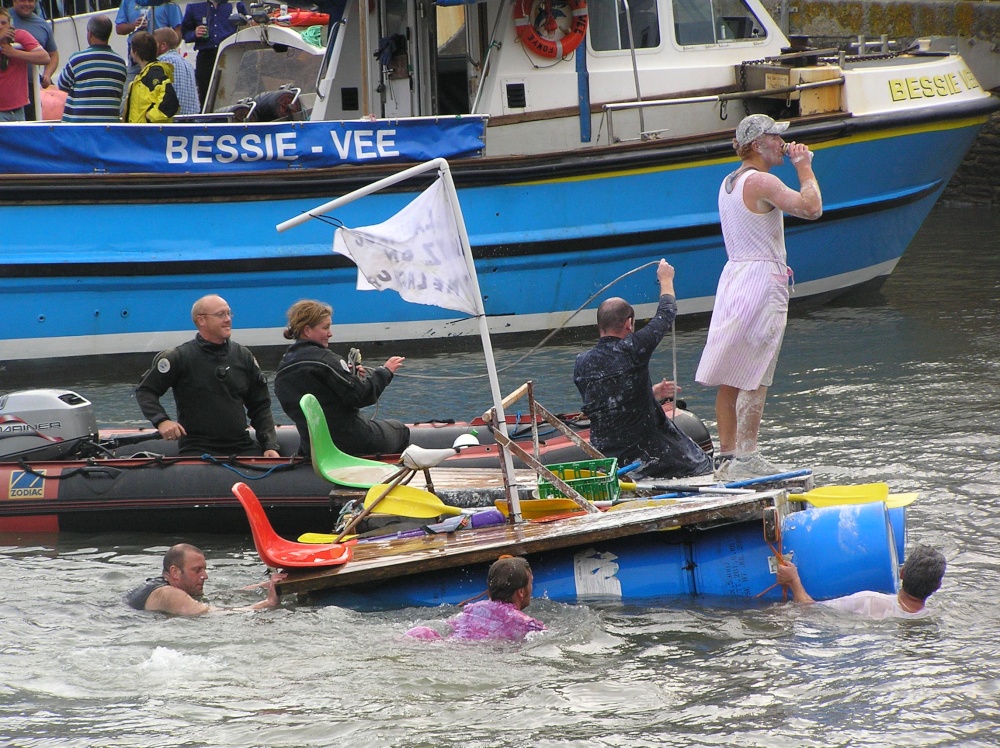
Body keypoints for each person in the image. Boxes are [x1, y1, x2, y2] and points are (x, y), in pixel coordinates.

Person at [696, 114, 823, 481]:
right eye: (774, 138)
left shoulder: (728, 182)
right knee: (757, 367)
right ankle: (747, 456)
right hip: (761, 277)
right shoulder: (762, 180)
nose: (782, 143)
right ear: (755, 145)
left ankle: (727, 458)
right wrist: (803, 167)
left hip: (734, 275)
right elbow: (811, 208)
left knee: (732, 370)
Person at [573, 260, 713, 480]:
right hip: (646, 455)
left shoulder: (581, 363)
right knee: (701, 462)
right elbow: (666, 314)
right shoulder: (632, 348)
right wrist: (666, 279)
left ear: (600, 325)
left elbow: (610, 402)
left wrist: (651, 394)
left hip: (607, 455)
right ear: (629, 324)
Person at [135, 294, 281, 457]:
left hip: (240, 445)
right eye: (221, 315)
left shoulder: (243, 356)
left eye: (229, 313)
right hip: (198, 448)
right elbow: (145, 390)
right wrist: (161, 420)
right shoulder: (180, 357)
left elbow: (260, 405)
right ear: (201, 320)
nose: (228, 319)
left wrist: (270, 445)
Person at [273, 299, 409, 458]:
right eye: (325, 327)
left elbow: (323, 396)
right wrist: (384, 372)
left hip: (313, 448)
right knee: (400, 430)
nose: (330, 333)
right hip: (353, 441)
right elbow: (361, 396)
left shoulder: (283, 369)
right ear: (307, 330)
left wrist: (351, 377)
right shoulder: (326, 361)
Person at [776, 545, 946, 619]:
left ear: (901, 573)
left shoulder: (868, 601)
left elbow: (809, 610)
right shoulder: (933, 616)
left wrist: (794, 580)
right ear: (937, 587)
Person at [406, 556, 546, 642]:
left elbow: (449, 626)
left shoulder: (472, 609)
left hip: (450, 645)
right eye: (531, 583)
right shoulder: (526, 624)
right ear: (521, 591)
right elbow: (549, 636)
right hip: (475, 652)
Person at [125, 543, 282, 615]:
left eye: (204, 569)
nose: (205, 576)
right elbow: (215, 614)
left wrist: (266, 584)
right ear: (175, 572)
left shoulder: (171, 587)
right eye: (197, 570)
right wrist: (267, 603)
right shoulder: (168, 594)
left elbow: (225, 595)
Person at [57, 15, 127, 122]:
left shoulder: (77, 59)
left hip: (78, 129)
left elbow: (62, 85)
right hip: (108, 129)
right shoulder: (120, 63)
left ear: (89, 33)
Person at [181, 0, 247, 107]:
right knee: (205, 92)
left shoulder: (235, 3)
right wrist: (194, 33)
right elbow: (185, 33)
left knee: (232, 89)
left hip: (231, 53)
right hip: (206, 55)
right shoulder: (194, 5)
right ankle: (207, 120)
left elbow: (247, 23)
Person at [0, 6, 50, 122]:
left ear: (10, 23)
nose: (0, 27)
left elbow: (44, 57)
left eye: (3, 23)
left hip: (19, 109)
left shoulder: (20, 35)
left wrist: (14, 53)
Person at [10, 0, 58, 120]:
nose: (26, 4)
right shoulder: (4, 19)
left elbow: (53, 55)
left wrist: (47, 75)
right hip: (7, 88)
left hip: (32, 88)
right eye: (22, 0)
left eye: (30, 0)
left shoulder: (43, 25)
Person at [115, 0, 182, 85]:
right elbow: (119, 29)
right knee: (129, 93)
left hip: (161, 58)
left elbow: (178, 30)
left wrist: (170, 51)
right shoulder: (128, 1)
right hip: (136, 59)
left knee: (160, 90)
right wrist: (133, 26)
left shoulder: (168, 2)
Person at [123, 30, 178, 124]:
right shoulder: (144, 76)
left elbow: (170, 102)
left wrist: (149, 119)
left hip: (149, 135)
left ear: (135, 52)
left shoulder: (153, 74)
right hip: (139, 134)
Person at [153, 27, 198, 115]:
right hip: (192, 117)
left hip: (173, 119)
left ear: (163, 46)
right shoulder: (187, 63)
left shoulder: (161, 62)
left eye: (154, 43)